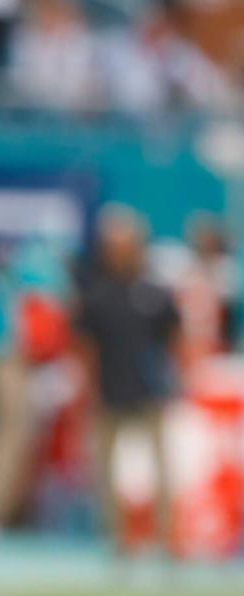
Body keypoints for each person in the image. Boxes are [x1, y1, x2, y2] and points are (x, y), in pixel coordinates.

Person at [76, 205, 179, 556]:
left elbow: (172, 338)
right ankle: (117, 538)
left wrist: (172, 380)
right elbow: (85, 347)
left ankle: (165, 537)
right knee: (106, 471)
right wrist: (89, 388)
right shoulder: (97, 295)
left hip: (150, 389)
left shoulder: (155, 292)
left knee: (162, 465)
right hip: (110, 389)